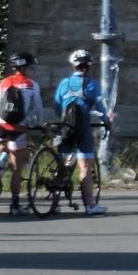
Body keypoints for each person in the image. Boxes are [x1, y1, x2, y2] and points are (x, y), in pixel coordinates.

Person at [54, 49, 111, 215]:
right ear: (88, 66)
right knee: (85, 167)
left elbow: (57, 105)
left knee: (63, 163)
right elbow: (100, 107)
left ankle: (55, 202)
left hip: (66, 127)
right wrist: (106, 121)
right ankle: (90, 206)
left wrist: (66, 119)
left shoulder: (64, 83)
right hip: (83, 128)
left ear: (73, 66)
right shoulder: (92, 84)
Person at [0, 53, 43, 215]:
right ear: (24, 68)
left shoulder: (4, 83)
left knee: (2, 145)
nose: (33, 71)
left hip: (1, 125)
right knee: (16, 169)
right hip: (19, 129)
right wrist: (38, 124)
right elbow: (37, 109)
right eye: (32, 68)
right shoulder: (32, 85)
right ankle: (14, 205)